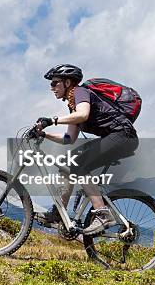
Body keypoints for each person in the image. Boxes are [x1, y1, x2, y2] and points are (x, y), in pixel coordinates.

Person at [34, 64, 139, 235]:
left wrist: (51, 120)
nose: (51, 88)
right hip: (113, 138)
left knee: (78, 165)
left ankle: (102, 214)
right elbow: (69, 139)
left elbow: (83, 115)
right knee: (67, 164)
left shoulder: (80, 92)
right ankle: (58, 214)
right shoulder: (72, 105)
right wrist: (44, 135)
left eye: (55, 83)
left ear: (68, 82)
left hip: (123, 136)